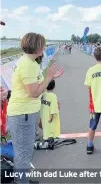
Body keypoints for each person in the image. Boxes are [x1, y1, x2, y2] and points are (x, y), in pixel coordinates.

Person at [7, 32, 64, 184]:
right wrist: (48, 77)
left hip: (25, 113)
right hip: (22, 114)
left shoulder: (29, 62)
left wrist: (50, 77)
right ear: (37, 47)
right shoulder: (28, 65)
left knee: (24, 152)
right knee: (24, 154)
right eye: (43, 45)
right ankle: (21, 182)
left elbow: (36, 86)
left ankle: (22, 180)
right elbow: (34, 92)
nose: (45, 47)